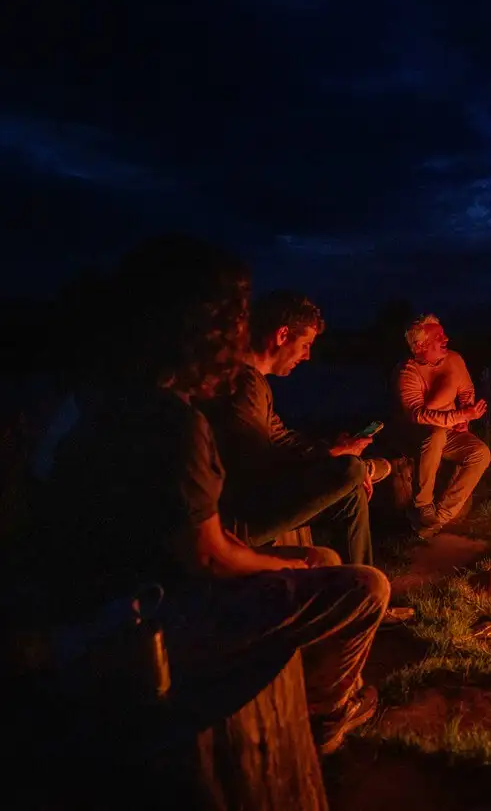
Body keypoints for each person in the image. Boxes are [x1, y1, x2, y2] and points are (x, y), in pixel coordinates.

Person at [44, 236, 387, 755]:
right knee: (365, 586)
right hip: (139, 636)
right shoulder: (172, 422)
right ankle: (326, 717)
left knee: (319, 555)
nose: (237, 336)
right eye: (233, 320)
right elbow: (210, 558)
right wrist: (286, 567)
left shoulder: (90, 402)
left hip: (94, 613)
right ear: (207, 329)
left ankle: (313, 690)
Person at [203, 291, 390, 566]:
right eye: (305, 345)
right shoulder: (241, 386)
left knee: (351, 493)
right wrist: (333, 459)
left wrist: (331, 449)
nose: (307, 356)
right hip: (238, 520)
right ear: (282, 336)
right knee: (352, 470)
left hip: (254, 501)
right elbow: (256, 462)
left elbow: (281, 438)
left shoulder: (255, 383)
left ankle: (359, 585)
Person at [394, 314, 490, 535]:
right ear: (420, 345)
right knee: (436, 434)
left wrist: (464, 417)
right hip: (416, 435)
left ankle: (441, 517)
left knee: (480, 453)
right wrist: (457, 416)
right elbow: (417, 415)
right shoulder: (407, 372)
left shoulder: (454, 359)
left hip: (448, 430)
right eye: (439, 336)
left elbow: (466, 390)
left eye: (443, 333)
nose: (446, 338)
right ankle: (423, 505)